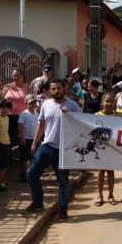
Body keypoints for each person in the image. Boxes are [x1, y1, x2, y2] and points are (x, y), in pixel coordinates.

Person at [24, 79, 80, 222]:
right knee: (31, 173)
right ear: (49, 90)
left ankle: (62, 210)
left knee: (63, 181)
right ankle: (37, 202)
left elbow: (80, 127)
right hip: (46, 146)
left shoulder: (73, 106)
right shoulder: (45, 104)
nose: (56, 91)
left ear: (64, 88)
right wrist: (35, 144)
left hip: (63, 150)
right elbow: (41, 124)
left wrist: (70, 116)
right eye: (53, 89)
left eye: (59, 88)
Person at [93, 93, 119, 206]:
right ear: (102, 103)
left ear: (115, 104)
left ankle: (111, 195)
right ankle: (99, 195)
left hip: (112, 148)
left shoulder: (118, 117)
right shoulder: (95, 116)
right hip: (99, 147)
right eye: (107, 101)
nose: (109, 103)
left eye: (111, 101)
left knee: (110, 172)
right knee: (100, 172)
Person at [3, 68, 29, 148]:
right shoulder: (7, 87)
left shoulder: (27, 87)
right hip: (8, 116)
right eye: (14, 75)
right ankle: (11, 158)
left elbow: (31, 100)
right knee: (10, 138)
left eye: (18, 75)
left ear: (22, 76)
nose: (16, 77)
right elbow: (2, 100)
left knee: (22, 138)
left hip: (22, 117)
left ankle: (23, 158)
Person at [18, 94, 39, 183]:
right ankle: (23, 175)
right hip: (25, 139)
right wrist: (22, 137)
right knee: (24, 158)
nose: (33, 104)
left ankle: (31, 174)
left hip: (34, 139)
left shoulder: (37, 114)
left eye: (34, 102)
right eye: (31, 103)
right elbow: (19, 125)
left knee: (33, 158)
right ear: (26, 104)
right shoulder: (24, 114)